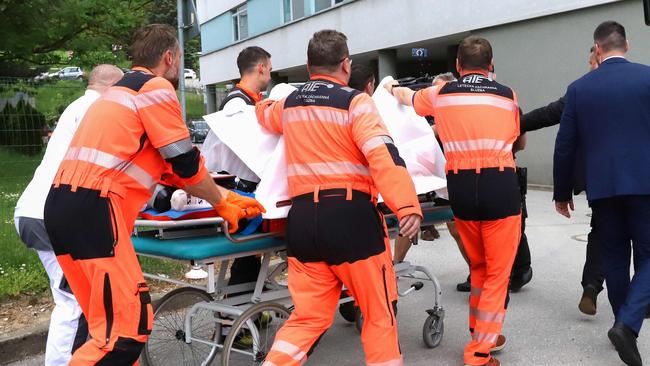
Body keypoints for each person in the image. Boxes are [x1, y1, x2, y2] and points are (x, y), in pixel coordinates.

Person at [42, 24, 264, 364]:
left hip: (63, 206)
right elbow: (186, 163)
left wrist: (220, 195)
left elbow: (175, 173)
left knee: (105, 327)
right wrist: (223, 201)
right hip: (95, 208)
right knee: (128, 328)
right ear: (170, 57)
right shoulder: (155, 87)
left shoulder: (119, 93)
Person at [257, 30, 422, 366]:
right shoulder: (356, 103)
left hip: (303, 222)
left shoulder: (289, 105)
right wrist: (407, 205)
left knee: (308, 319)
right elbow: (383, 155)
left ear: (308, 66)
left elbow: (264, 113)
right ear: (346, 65)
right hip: (350, 220)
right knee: (379, 314)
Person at [387, 36, 523, 366]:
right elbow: (517, 138)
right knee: (497, 273)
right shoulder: (508, 95)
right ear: (490, 66)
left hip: (460, 187)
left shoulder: (442, 93)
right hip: (499, 184)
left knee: (478, 266)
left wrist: (391, 88)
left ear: (458, 66)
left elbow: (408, 98)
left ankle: (483, 333)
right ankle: (479, 352)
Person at [554, 21, 650, 366]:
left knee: (613, 258)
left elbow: (565, 145)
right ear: (627, 44)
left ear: (597, 49)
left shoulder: (579, 88)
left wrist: (562, 191)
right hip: (645, 184)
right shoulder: (648, 77)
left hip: (603, 188)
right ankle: (627, 324)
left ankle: (622, 324)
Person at [13, 64, 123, 366]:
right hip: (52, 216)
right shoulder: (98, 110)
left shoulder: (78, 107)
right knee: (73, 301)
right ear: (112, 87)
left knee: (78, 300)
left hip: (36, 211)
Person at [522, 47, 609, 316]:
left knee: (602, 233)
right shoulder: (639, 82)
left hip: (600, 176)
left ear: (598, 55)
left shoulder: (581, 90)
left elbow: (550, 115)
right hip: (639, 176)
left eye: (590, 62)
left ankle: (592, 288)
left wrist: (515, 122)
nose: (589, 67)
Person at [202, 46, 272, 288]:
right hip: (238, 188)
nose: (270, 77)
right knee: (248, 253)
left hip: (238, 185)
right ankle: (239, 312)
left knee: (250, 256)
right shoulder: (237, 105)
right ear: (261, 68)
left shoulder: (244, 102)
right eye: (270, 70)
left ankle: (246, 310)